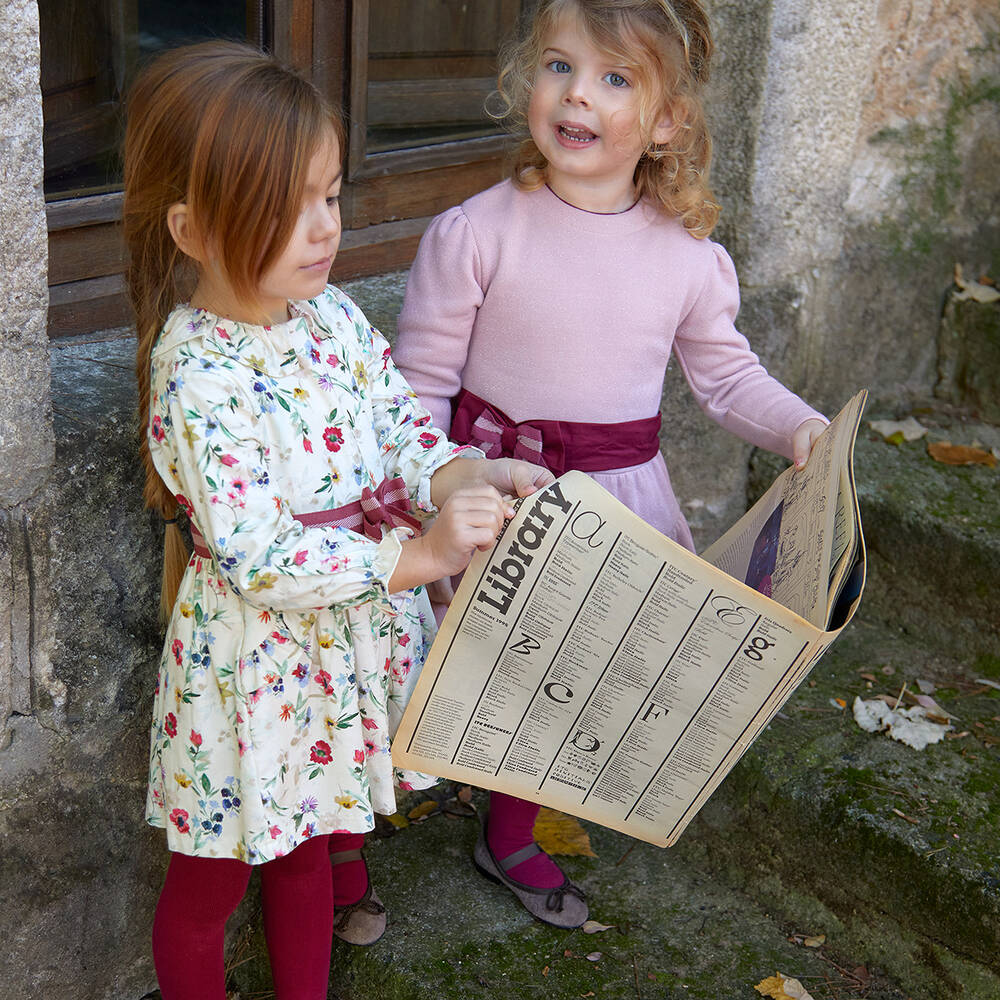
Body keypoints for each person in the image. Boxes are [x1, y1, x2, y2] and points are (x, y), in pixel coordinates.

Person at [123, 41, 552, 1000]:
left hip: (339, 643)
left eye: (329, 195)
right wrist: (416, 556)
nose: (322, 230)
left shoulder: (333, 317)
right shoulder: (199, 375)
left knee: (312, 843)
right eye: (285, 210)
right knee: (211, 879)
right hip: (254, 669)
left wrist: (458, 474)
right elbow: (260, 556)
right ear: (192, 229)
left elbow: (399, 423)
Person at [393, 0, 828, 929]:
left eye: (615, 77)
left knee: (563, 673)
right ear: (527, 81)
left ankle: (509, 831)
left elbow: (727, 376)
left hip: (611, 501)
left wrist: (800, 429)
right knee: (453, 662)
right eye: (558, 65)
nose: (576, 93)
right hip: (486, 486)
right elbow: (416, 389)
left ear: (668, 122)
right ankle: (351, 838)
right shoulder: (475, 232)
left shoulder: (686, 257)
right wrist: (434, 490)